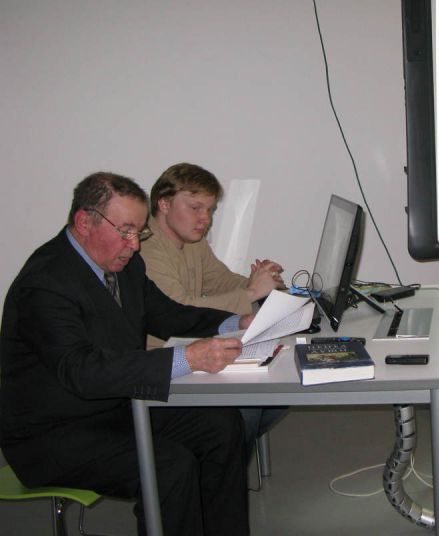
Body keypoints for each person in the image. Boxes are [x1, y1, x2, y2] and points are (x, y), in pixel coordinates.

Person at [0, 172, 252, 536]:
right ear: (84, 222)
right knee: (170, 466)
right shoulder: (45, 283)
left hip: (113, 407)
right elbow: (82, 370)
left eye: (139, 232)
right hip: (51, 435)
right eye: (125, 231)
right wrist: (189, 359)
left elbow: (166, 313)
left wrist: (235, 322)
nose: (134, 244)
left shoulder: (124, 263)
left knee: (221, 426)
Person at [140, 162, 287, 448]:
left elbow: (220, 280)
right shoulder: (146, 247)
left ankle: (225, 455)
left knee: (278, 388)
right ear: (164, 204)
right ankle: (221, 458)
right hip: (161, 359)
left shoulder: (192, 241)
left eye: (209, 210)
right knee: (246, 407)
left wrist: (261, 282)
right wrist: (251, 292)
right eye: (196, 208)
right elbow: (178, 308)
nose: (204, 219)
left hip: (192, 343)